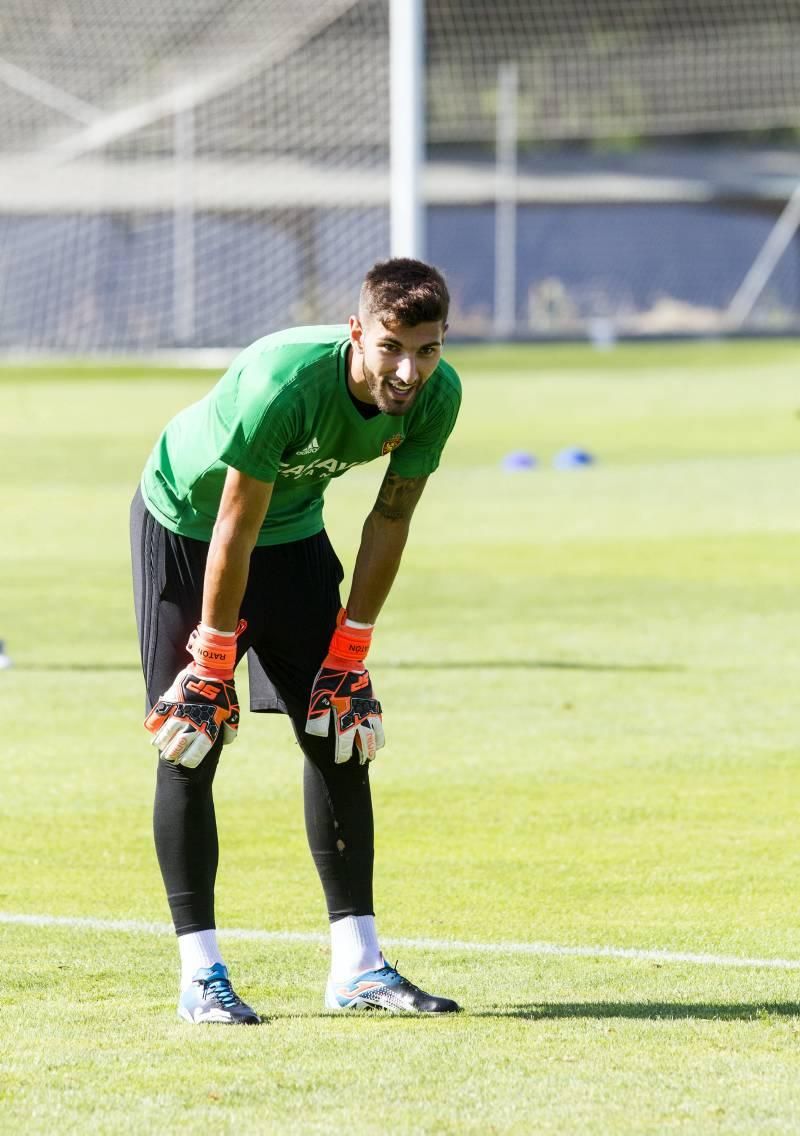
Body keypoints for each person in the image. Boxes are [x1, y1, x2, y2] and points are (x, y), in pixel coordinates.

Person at [130, 258, 462, 1024]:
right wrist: (212, 659)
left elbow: (391, 518)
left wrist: (352, 647)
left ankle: (358, 968)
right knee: (192, 735)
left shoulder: (436, 397)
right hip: (189, 524)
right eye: (391, 348)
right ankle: (201, 975)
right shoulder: (284, 380)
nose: (409, 370)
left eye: (427, 348)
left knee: (340, 732)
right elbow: (232, 523)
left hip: (293, 531)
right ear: (357, 334)